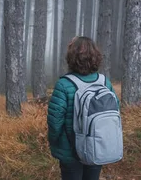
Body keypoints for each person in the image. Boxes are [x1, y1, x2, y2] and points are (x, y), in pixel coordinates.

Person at [47, 36, 120, 180]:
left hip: (70, 152)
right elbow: (115, 110)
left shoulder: (63, 84)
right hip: (97, 146)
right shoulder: (104, 82)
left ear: (72, 57)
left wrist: (54, 142)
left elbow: (55, 122)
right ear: (95, 56)